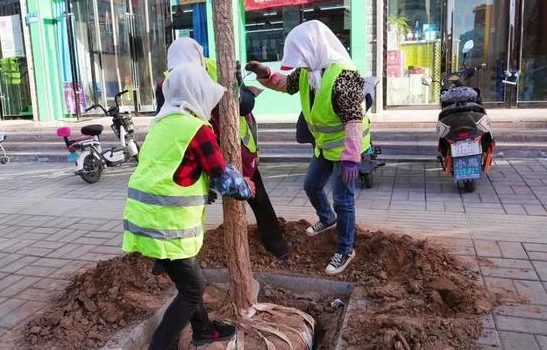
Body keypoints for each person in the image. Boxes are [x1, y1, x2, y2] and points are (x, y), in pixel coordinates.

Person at [123, 63, 255, 349]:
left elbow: (178, 169)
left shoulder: (161, 123)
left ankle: (203, 330)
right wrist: (245, 187)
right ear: (198, 93)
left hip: (144, 220)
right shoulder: (196, 129)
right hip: (168, 226)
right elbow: (222, 178)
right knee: (193, 290)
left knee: (189, 282)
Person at [246, 20, 370, 275]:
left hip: (347, 149)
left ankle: (345, 248)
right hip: (325, 146)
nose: (299, 63)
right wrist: (265, 73)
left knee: (343, 200)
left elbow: (354, 120)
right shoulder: (308, 72)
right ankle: (327, 219)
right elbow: (286, 84)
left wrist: (350, 158)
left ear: (314, 49)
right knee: (311, 186)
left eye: (302, 56)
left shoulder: (344, 76)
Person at [155, 37, 289, 260]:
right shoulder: (166, 82)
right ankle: (169, 256)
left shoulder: (217, 68)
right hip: (196, 147)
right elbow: (165, 116)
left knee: (258, 196)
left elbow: (246, 105)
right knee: (185, 202)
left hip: (234, 145)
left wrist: (237, 91)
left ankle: (275, 242)